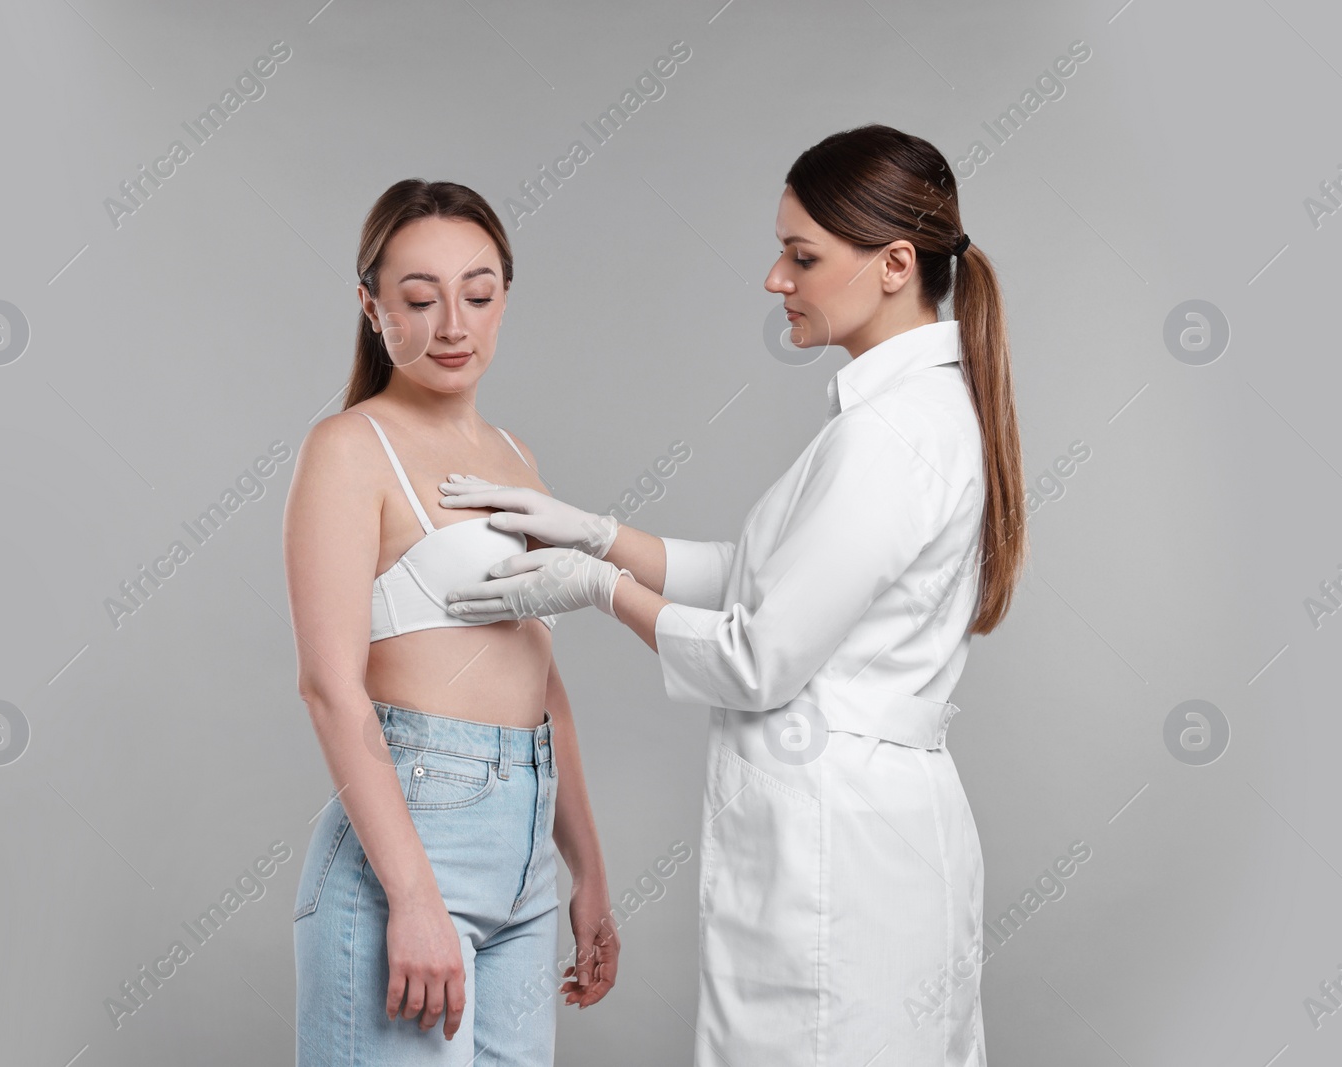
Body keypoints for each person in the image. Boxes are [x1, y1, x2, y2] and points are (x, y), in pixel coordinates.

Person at [440, 125, 1027, 1067]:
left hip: (843, 847)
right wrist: (591, 528)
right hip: (872, 831)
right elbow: (759, 574)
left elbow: (757, 658)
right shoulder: (899, 419)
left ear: (895, 264)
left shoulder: (892, 439)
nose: (774, 279)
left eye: (803, 255)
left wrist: (599, 585)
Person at [282, 179, 619, 1067]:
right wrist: (412, 894)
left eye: (477, 294)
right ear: (371, 305)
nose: (452, 325)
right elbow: (328, 685)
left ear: (505, 296)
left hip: (526, 850)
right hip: (415, 827)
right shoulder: (350, 447)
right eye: (419, 299)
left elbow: (542, 679)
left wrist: (586, 870)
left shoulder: (516, 457)